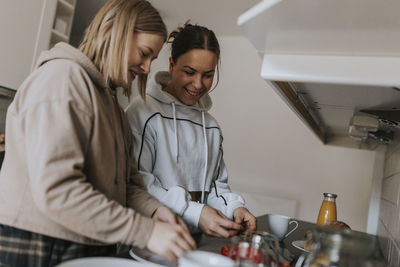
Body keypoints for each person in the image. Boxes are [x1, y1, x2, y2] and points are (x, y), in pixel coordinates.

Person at [0, 0, 196, 265]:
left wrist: (155, 211)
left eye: (152, 58)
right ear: (116, 34)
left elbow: (126, 185)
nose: (147, 68)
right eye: (144, 53)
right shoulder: (62, 79)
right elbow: (58, 191)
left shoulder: (113, 108)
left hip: (84, 240)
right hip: (39, 242)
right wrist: (145, 232)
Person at [125, 23, 257, 238]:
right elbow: (138, 185)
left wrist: (235, 208)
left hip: (194, 240)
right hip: (150, 238)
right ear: (171, 64)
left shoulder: (211, 127)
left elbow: (216, 188)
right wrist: (194, 211)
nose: (198, 84)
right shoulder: (143, 112)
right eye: (189, 72)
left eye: (208, 74)